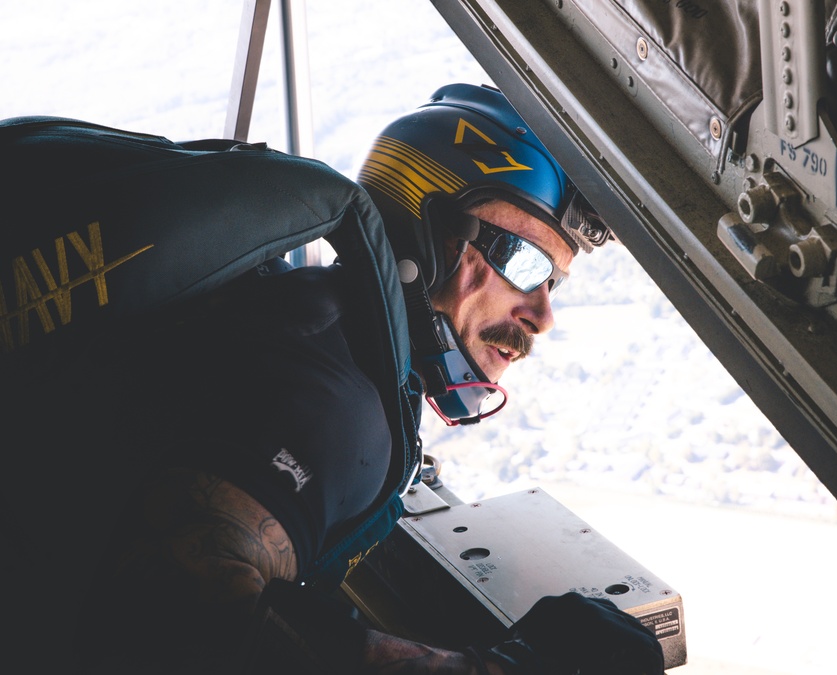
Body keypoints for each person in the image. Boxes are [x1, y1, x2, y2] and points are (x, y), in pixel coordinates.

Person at [1, 84, 662, 674]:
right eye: (522, 260)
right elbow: (171, 621)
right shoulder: (339, 404)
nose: (543, 314)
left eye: (554, 282)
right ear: (430, 232)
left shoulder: (317, 316)